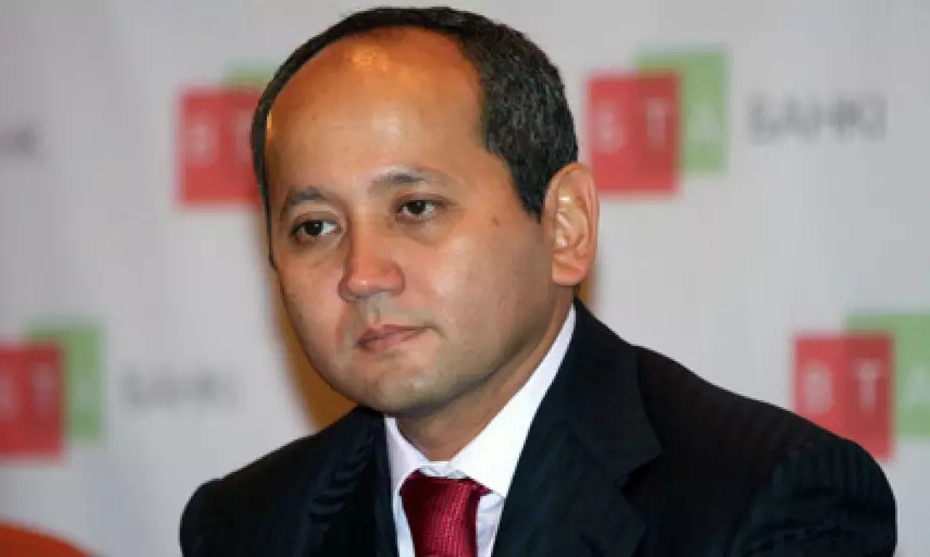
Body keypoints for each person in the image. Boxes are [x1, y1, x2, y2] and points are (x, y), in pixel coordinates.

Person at [179, 6, 897, 557]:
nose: (362, 275)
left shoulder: (768, 497)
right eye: (314, 227)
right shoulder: (243, 525)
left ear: (564, 226)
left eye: (415, 208)